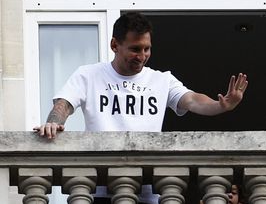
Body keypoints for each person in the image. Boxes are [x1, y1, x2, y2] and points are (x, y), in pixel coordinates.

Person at [33, 12, 248, 203]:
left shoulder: (161, 80)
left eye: (147, 49)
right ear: (115, 45)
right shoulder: (89, 74)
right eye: (135, 49)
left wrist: (221, 106)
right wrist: (54, 122)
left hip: (148, 190)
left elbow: (191, 100)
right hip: (100, 190)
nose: (142, 56)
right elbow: (64, 104)